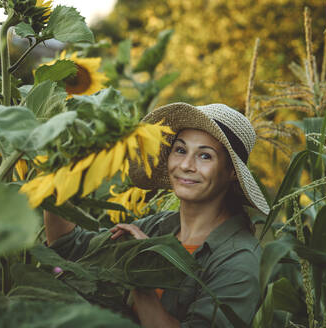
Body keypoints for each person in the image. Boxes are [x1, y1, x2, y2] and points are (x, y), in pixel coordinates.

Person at [44, 103, 270, 327]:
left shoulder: (240, 261)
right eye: (180, 150)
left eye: (205, 156)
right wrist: (55, 177)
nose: (186, 165)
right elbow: (72, 247)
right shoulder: (157, 227)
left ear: (231, 172)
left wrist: (141, 277)